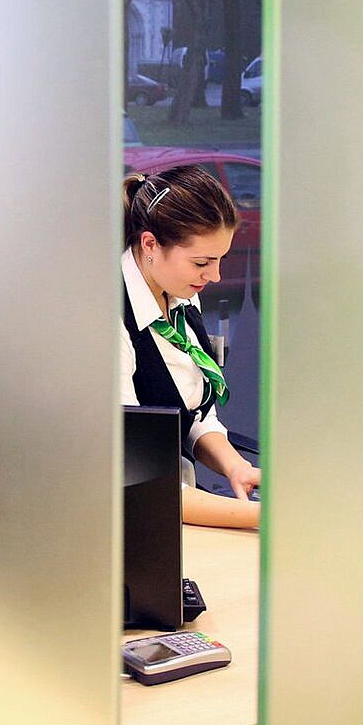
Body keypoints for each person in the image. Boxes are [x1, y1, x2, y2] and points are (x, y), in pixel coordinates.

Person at [121, 165, 260, 530]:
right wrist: (269, 517)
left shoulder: (180, 295)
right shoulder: (106, 324)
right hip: (132, 518)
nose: (214, 276)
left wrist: (236, 467)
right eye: (201, 262)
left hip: (177, 505)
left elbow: (194, 415)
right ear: (150, 244)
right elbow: (138, 485)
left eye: (220, 259)